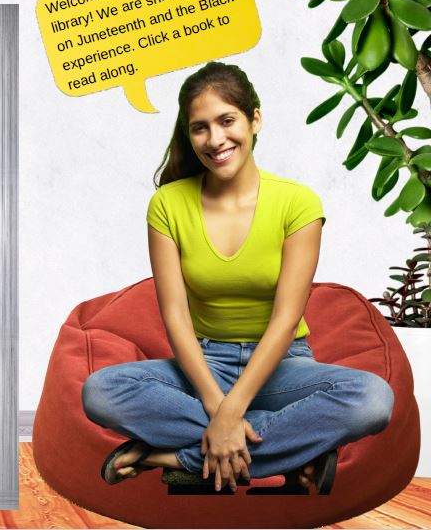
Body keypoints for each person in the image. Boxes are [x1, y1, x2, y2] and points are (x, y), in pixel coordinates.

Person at [81, 61, 394, 494]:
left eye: (227, 121)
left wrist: (233, 415)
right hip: (204, 364)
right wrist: (220, 410)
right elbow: (174, 317)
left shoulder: (298, 204)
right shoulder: (168, 205)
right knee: (100, 390)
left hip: (282, 364)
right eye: (200, 128)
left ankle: (171, 456)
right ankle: (300, 448)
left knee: (372, 400)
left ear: (255, 119)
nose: (215, 140)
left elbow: (286, 320)